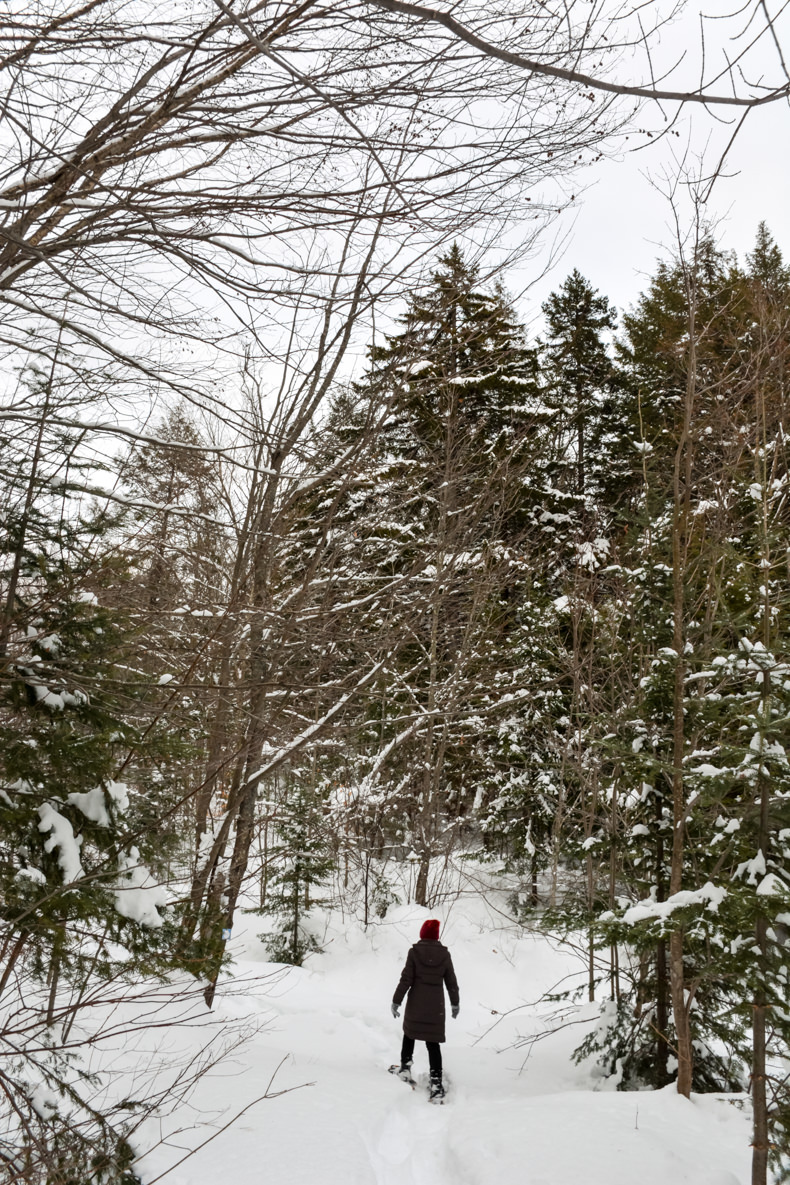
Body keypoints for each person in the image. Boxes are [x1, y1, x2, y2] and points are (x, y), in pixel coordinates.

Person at [390, 918, 459, 1101]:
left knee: (409, 1034)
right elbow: (451, 981)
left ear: (422, 934)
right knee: (433, 1044)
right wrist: (455, 1003)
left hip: (416, 1004)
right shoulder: (444, 955)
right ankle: (436, 1082)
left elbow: (406, 979)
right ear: (436, 936)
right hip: (435, 1007)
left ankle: (405, 1068)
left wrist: (396, 1000)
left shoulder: (414, 952)